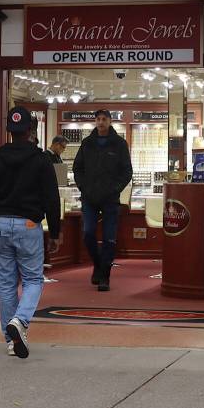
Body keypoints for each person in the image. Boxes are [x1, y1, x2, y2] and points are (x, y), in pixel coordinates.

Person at [0, 106, 61, 359]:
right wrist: (56, 231)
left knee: (5, 284)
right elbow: (52, 199)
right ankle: (21, 321)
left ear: (9, 131)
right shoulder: (41, 160)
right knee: (33, 280)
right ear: (31, 130)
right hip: (29, 226)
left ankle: (11, 340)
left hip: (0, 225)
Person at [71, 109, 132, 292]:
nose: (101, 122)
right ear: (95, 121)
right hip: (89, 197)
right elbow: (77, 168)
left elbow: (127, 172)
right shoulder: (87, 143)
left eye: (104, 119)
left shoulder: (119, 144)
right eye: (98, 119)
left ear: (110, 121)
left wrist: (115, 189)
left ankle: (104, 275)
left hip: (110, 199)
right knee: (88, 233)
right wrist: (83, 187)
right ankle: (98, 263)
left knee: (109, 239)